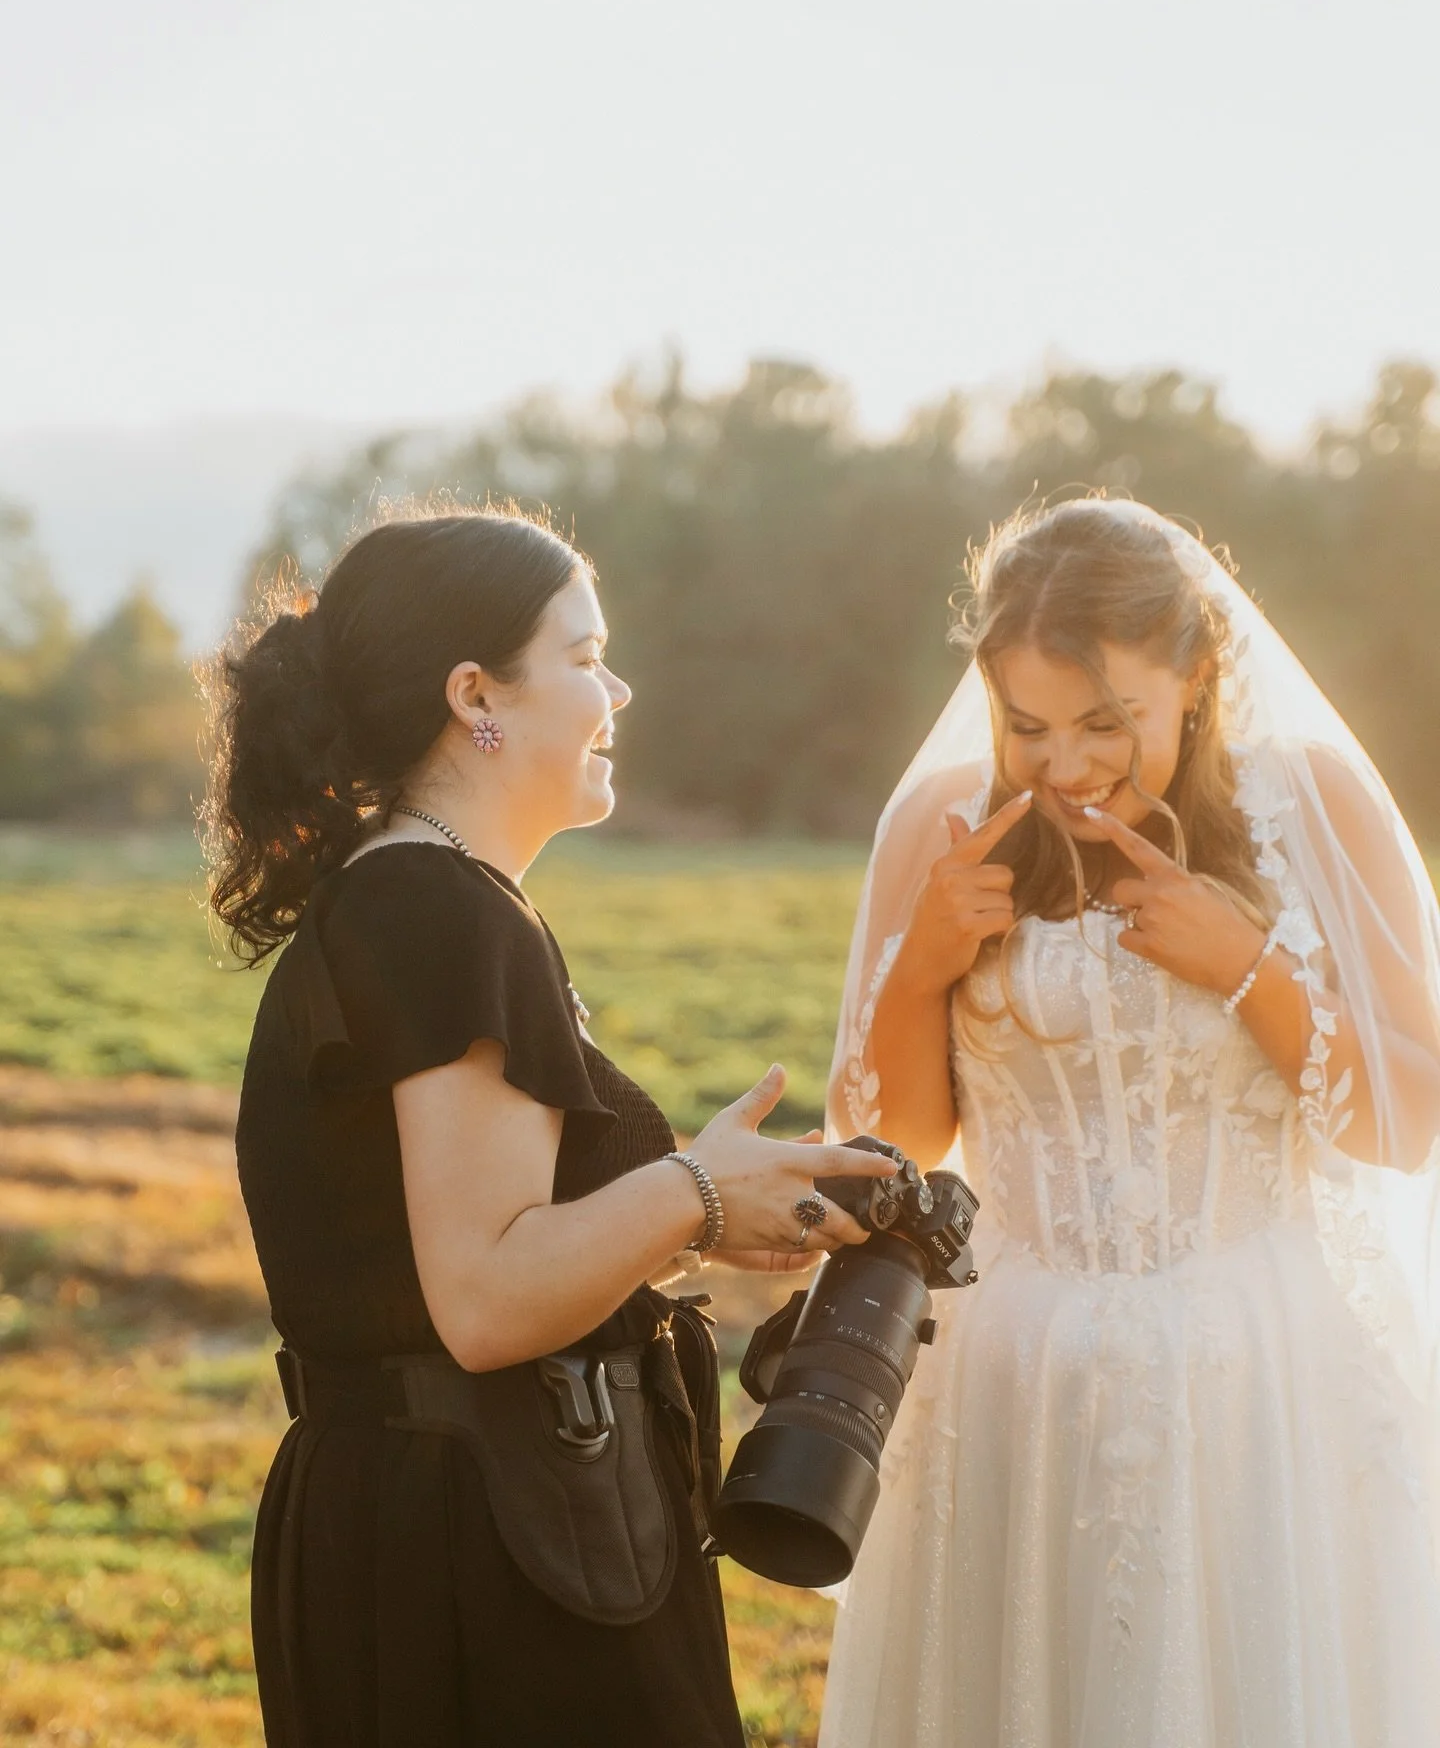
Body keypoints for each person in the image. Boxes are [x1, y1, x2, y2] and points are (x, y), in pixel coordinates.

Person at [201, 504, 895, 1748]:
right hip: (495, 1547)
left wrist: (710, 1215)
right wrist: (692, 1186)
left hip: (435, 1515)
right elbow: (484, 1299)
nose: (615, 686)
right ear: (478, 695)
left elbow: (455, 1260)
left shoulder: (418, 894)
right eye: (584, 655)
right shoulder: (439, 911)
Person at [819, 496, 1440, 1748]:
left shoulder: (1311, 808)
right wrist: (925, 963)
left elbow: (1406, 1124)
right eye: (1027, 724)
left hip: (1262, 1376)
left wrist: (1249, 967)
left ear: (1199, 678)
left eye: (1110, 722)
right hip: (1014, 1375)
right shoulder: (942, 823)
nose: (1064, 766)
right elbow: (896, 1147)